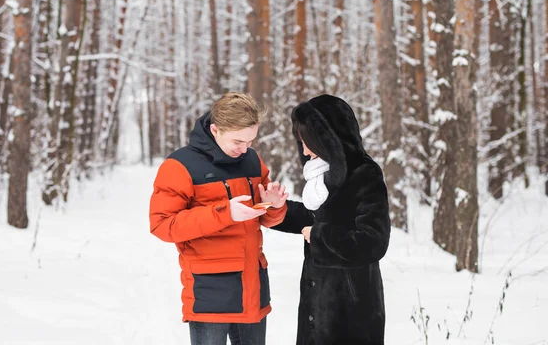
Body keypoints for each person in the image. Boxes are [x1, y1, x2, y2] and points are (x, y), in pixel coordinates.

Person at [149, 92, 289, 345]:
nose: (244, 149)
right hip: (210, 288)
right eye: (238, 141)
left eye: (250, 141)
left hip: (253, 284)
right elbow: (162, 225)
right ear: (215, 129)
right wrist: (225, 214)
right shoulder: (180, 165)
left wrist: (274, 206)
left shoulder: (252, 160)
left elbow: (266, 219)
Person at [272, 94, 391, 345]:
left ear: (326, 138)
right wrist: (276, 210)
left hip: (351, 309)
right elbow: (312, 215)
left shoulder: (364, 173)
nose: (304, 150)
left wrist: (318, 236)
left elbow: (373, 242)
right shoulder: (322, 174)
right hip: (317, 302)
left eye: (308, 142)